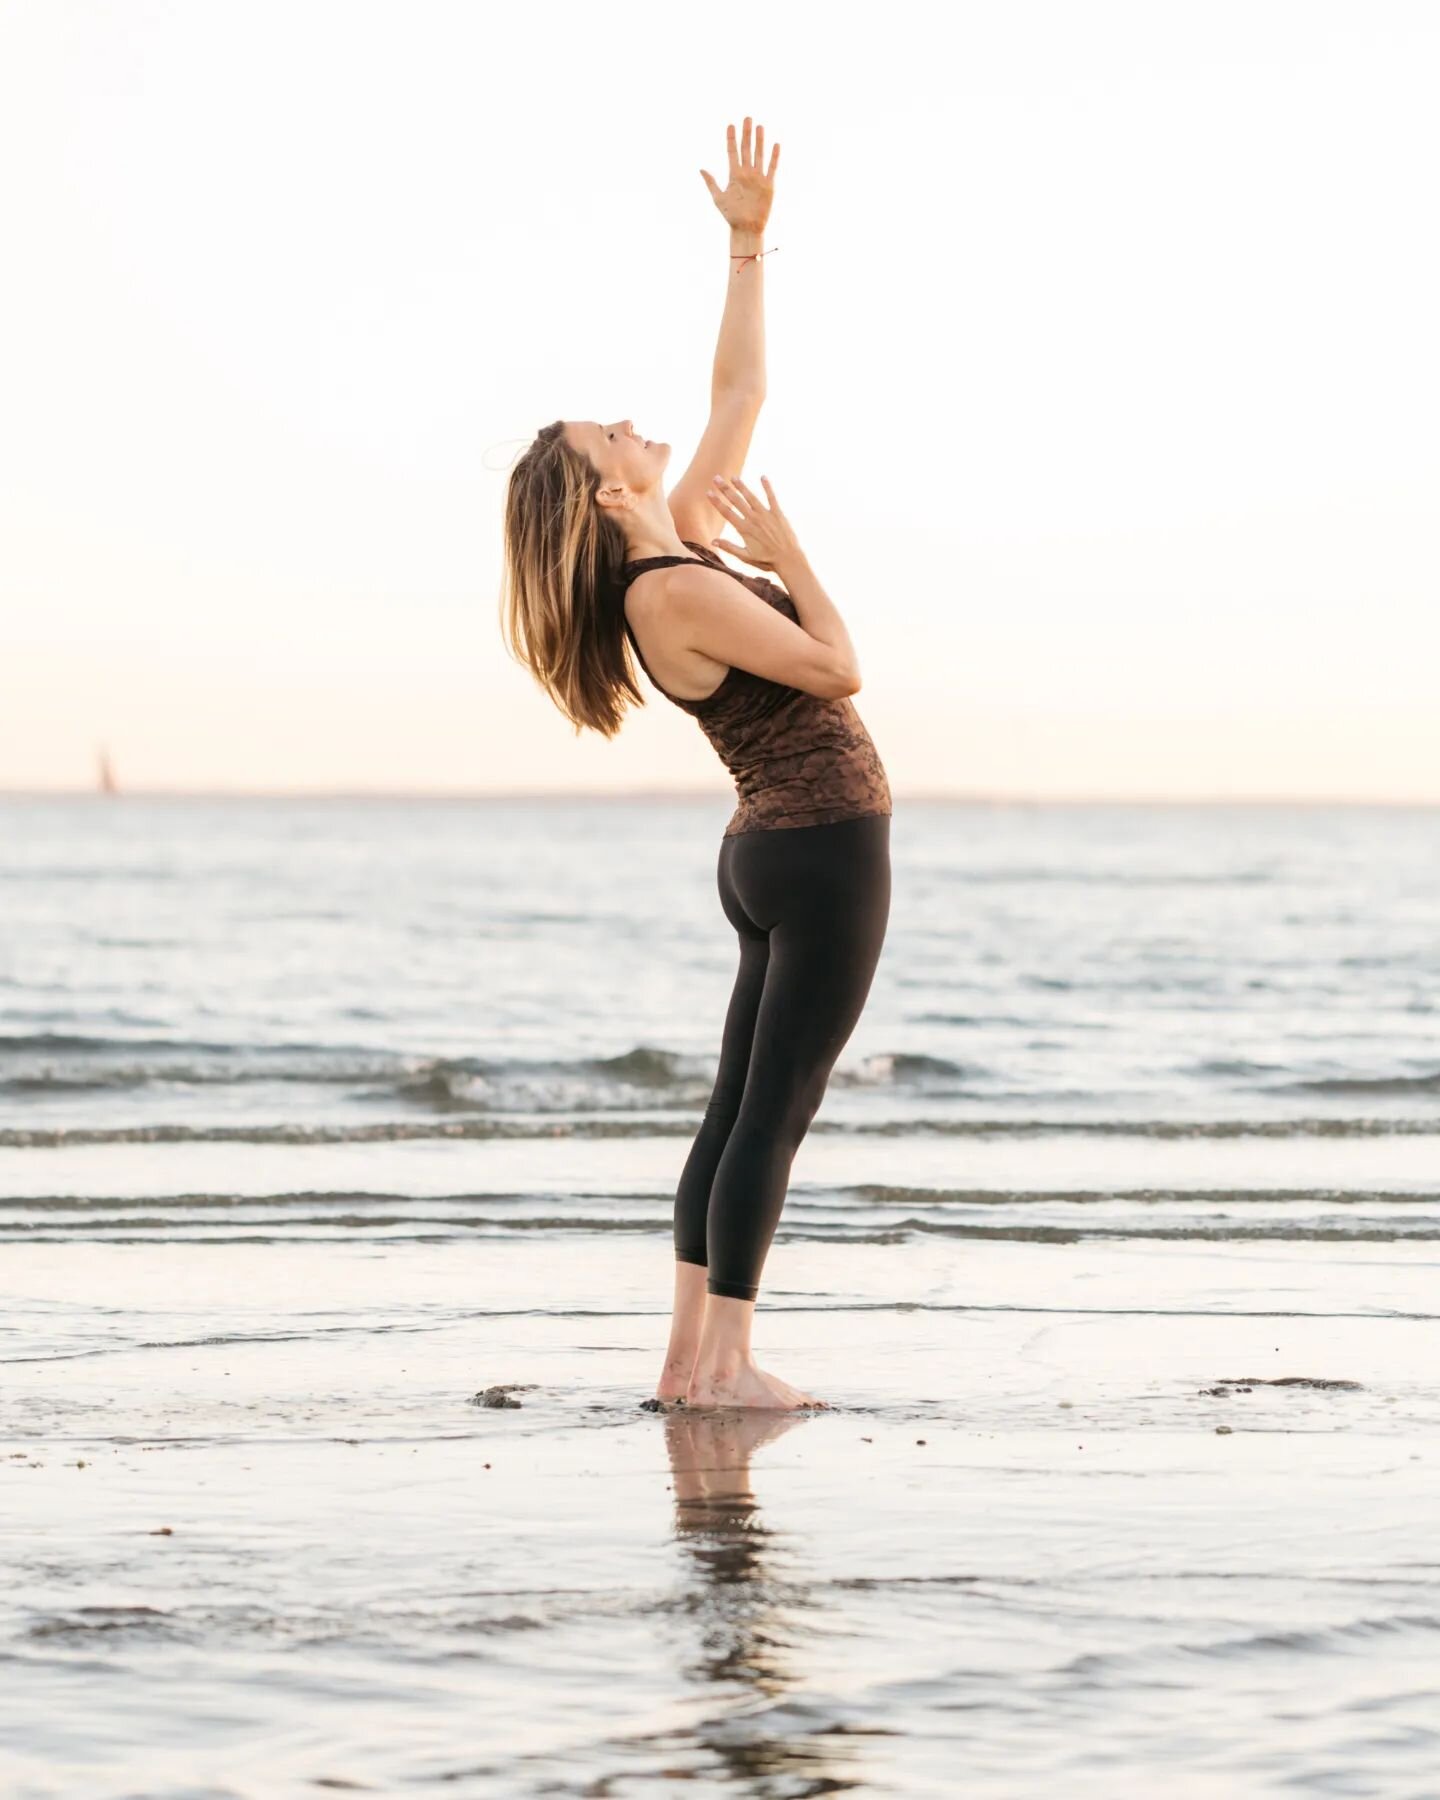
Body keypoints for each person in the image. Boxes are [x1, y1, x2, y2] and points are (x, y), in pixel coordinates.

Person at [499, 118, 892, 1411]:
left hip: (773, 850)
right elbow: (835, 667)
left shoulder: (663, 560)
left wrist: (742, 245)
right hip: (819, 851)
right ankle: (723, 1369)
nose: (631, 422)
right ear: (601, 494)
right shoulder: (669, 587)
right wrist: (790, 553)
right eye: (606, 437)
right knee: (771, 1111)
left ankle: (686, 1362)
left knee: (738, 1108)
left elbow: (738, 397)